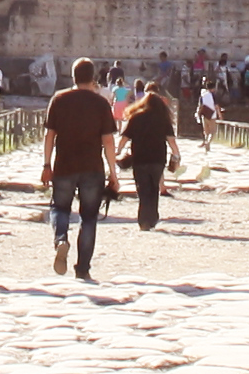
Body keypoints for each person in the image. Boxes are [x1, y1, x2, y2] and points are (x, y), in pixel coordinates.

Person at [41, 56, 120, 282]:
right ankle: (83, 268)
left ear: (73, 76)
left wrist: (46, 164)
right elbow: (108, 142)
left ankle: (61, 239)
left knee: (59, 208)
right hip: (92, 168)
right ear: (93, 77)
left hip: (64, 165)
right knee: (89, 218)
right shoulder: (101, 103)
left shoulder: (59, 99)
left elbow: (49, 135)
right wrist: (113, 174)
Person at [121, 78, 176, 237]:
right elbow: (171, 139)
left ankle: (143, 220)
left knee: (142, 188)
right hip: (158, 157)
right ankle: (152, 217)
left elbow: (125, 138)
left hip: (139, 158)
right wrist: (176, 154)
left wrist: (117, 152)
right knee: (153, 188)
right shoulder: (163, 118)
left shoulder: (136, 117)